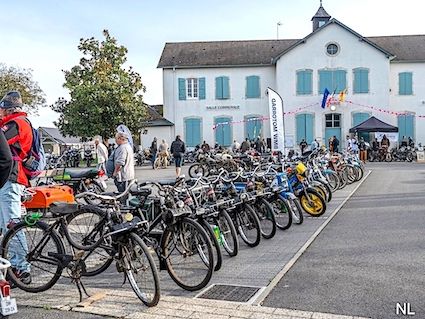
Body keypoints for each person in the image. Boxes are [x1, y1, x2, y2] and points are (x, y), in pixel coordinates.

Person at [0, 91, 33, 284]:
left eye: (2, 109)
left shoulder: (17, 123)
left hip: (11, 177)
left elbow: (4, 143)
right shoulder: (17, 122)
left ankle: (21, 269)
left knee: (13, 225)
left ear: (8, 108)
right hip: (10, 177)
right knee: (7, 225)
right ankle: (11, 265)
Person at [112, 132, 135, 203]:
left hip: (124, 177)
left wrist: (115, 173)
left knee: (123, 196)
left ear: (120, 138)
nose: (115, 141)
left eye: (116, 139)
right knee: (126, 195)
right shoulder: (128, 146)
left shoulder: (122, 148)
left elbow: (120, 163)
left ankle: (125, 211)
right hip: (129, 175)